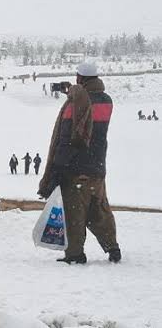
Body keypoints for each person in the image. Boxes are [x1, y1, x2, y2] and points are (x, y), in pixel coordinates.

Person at [38, 62, 121, 264]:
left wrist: (57, 167)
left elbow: (67, 137)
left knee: (74, 212)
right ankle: (112, 247)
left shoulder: (76, 103)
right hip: (97, 167)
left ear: (80, 78)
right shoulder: (106, 100)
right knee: (98, 209)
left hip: (76, 168)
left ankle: (75, 254)